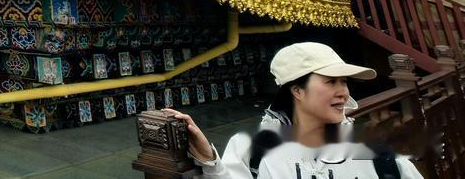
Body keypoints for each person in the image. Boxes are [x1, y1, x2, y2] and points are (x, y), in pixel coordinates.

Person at [164, 42, 422, 178]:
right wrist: (209, 158)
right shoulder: (252, 147)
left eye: (344, 82)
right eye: (331, 81)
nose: (344, 92)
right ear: (297, 90)